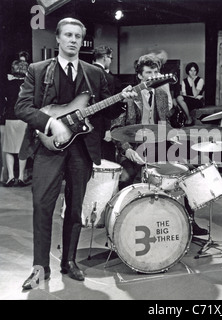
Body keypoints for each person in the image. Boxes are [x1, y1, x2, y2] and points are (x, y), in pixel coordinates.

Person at [15, 18, 135, 290]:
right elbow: (22, 107)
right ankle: (39, 267)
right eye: (67, 35)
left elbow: (107, 111)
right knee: (42, 206)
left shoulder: (95, 73)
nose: (72, 40)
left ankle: (68, 261)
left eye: (78, 36)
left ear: (83, 41)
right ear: (57, 38)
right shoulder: (37, 70)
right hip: (48, 150)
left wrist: (122, 101)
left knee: (75, 208)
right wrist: (50, 123)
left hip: (82, 150)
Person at [111, 54, 208, 236]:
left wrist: (173, 135)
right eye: (148, 72)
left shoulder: (162, 95)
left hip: (158, 146)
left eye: (156, 71)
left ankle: (189, 220)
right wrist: (127, 149)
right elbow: (116, 128)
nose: (153, 75)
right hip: (133, 148)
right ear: (140, 75)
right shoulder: (129, 95)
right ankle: (123, 223)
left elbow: (164, 123)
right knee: (125, 179)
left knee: (187, 171)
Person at [3, 58, 30, 187]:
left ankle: (10, 177)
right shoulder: (28, 85)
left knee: (9, 149)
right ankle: (20, 177)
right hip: (24, 118)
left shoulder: (7, 84)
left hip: (10, 118)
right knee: (22, 149)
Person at [92, 45, 117, 161]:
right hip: (101, 125)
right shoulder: (108, 78)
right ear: (105, 57)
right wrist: (108, 129)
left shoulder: (84, 73)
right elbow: (108, 106)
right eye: (110, 58)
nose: (110, 61)